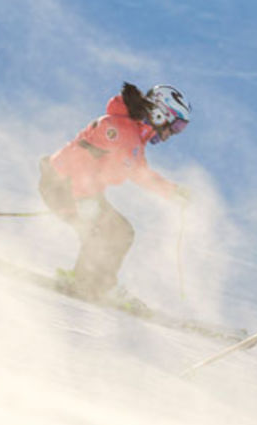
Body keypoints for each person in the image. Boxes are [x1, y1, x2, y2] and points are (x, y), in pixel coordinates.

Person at [38, 82, 191, 308]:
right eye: (176, 126)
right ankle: (90, 284)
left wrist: (172, 191)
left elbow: (140, 173)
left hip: (78, 190)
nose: (172, 134)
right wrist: (84, 199)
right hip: (63, 186)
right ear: (160, 114)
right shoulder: (117, 130)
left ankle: (90, 283)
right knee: (108, 231)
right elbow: (82, 160)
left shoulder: (134, 138)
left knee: (118, 231)